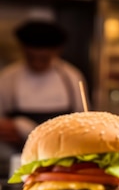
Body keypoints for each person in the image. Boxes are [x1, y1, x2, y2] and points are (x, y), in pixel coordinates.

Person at [0, 20, 88, 172]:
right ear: (23, 50)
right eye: (31, 58)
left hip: (63, 162)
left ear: (57, 51)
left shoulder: (72, 77)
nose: (37, 64)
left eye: (44, 59)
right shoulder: (7, 78)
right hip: (18, 161)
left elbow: (85, 120)